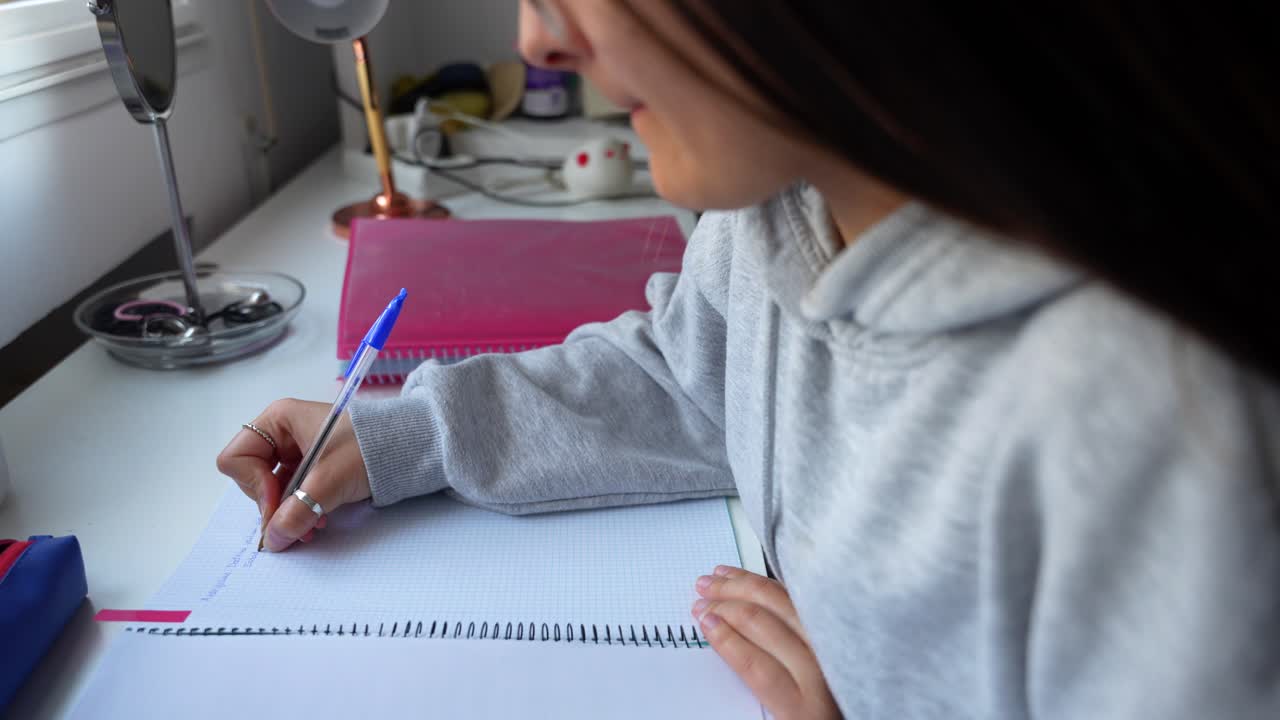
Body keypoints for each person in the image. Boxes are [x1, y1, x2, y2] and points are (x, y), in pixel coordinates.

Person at [217, 2, 1280, 718]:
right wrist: (399, 432)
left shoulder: (1160, 434)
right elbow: (686, 375)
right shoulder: (784, 198)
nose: (536, 38)